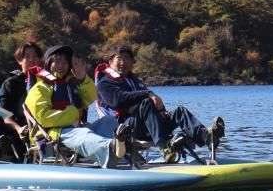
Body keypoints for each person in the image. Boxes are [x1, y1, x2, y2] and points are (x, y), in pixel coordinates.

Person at [95, 45, 225, 163]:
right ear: (110, 62)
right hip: (125, 128)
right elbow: (117, 100)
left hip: (148, 124)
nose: (123, 62)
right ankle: (165, 147)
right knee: (146, 102)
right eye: (119, 58)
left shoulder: (135, 82)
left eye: (127, 59)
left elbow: (154, 105)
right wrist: (147, 93)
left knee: (179, 111)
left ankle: (206, 137)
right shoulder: (105, 83)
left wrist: (162, 112)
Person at [24, 45, 127, 168]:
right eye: (57, 61)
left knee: (108, 121)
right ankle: (112, 149)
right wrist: (74, 113)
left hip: (75, 129)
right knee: (82, 134)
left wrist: (83, 79)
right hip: (53, 134)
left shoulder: (70, 84)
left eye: (65, 62)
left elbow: (91, 97)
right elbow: (44, 118)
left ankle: (121, 152)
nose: (61, 66)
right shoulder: (40, 88)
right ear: (48, 63)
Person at [0, 42, 43, 134]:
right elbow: (4, 114)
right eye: (27, 56)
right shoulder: (11, 83)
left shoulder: (46, 81)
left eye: (35, 56)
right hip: (20, 128)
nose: (32, 60)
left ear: (40, 59)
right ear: (20, 60)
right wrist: (18, 129)